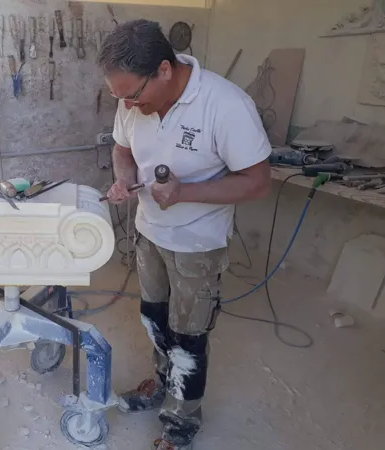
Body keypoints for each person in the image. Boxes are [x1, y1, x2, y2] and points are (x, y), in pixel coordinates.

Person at [97, 19, 272, 450]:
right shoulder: (131, 99)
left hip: (197, 243)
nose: (127, 105)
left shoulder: (226, 104)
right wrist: (123, 180)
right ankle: (162, 383)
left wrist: (185, 193)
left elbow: (257, 182)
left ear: (163, 69)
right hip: (149, 232)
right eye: (119, 97)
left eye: (133, 95)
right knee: (155, 319)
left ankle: (181, 421)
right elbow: (122, 149)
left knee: (188, 335)